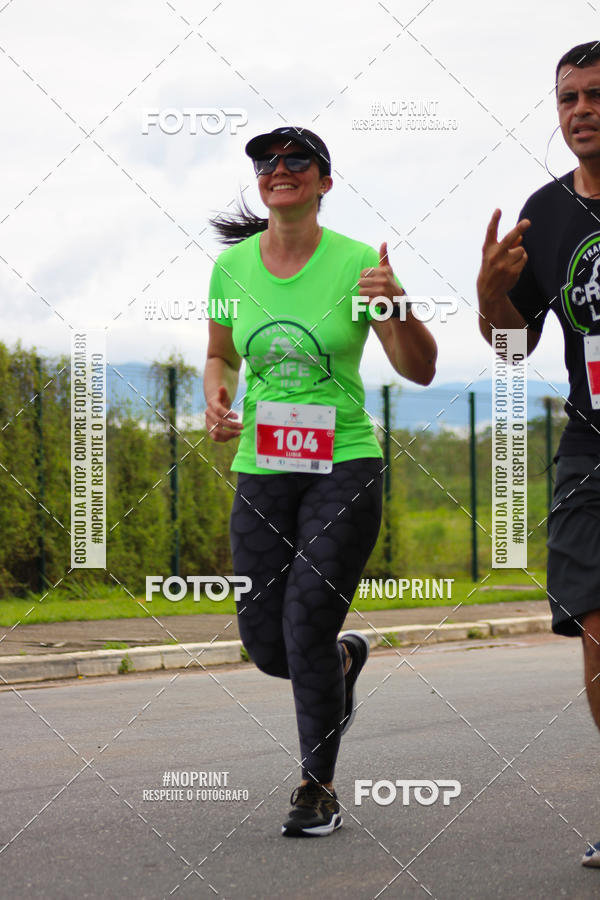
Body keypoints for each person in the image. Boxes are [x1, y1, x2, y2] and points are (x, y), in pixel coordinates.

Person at [204, 125, 437, 836]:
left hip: (344, 464)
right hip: (264, 467)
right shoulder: (231, 269)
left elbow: (420, 368)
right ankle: (342, 661)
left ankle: (317, 789)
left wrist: (395, 304)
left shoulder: (360, 264)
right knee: (266, 643)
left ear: (323, 182)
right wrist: (215, 395)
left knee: (302, 626)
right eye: (267, 162)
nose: (280, 169)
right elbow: (220, 354)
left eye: (296, 160)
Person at [477, 40, 600, 868]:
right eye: (568, 99)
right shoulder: (545, 212)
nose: (582, 111)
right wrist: (491, 288)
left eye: (595, 95)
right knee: (595, 620)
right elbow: (510, 347)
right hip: (591, 445)